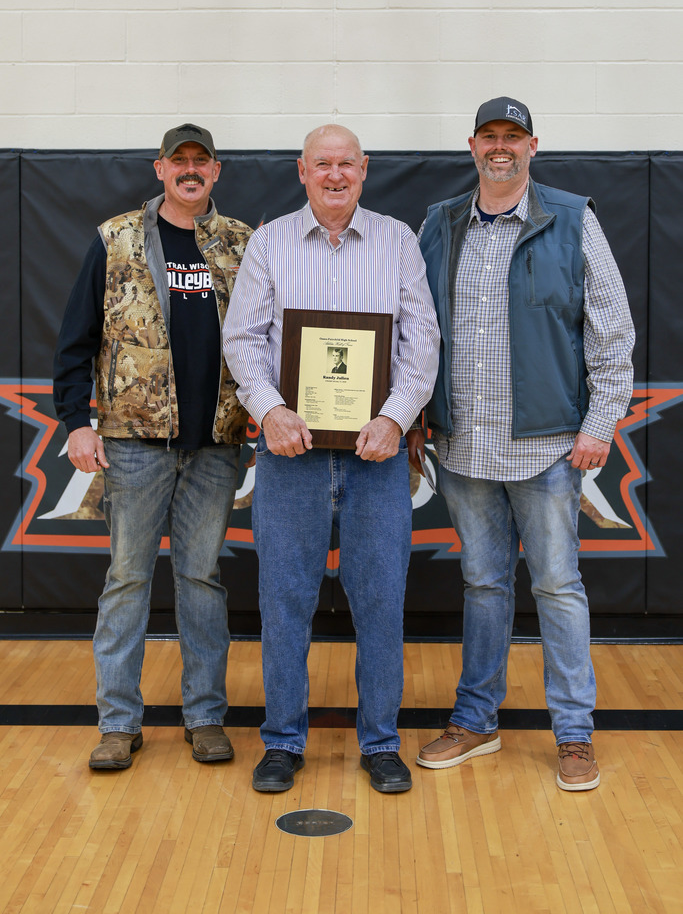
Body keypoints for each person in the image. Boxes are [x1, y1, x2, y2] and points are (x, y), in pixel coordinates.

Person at [411, 97, 634, 791]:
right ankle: (476, 721)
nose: (499, 147)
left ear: (532, 146)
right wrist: (417, 410)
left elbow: (611, 332)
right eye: (488, 136)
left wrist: (599, 425)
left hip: (543, 449)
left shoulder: (571, 218)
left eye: (512, 137)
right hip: (462, 448)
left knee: (557, 587)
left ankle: (573, 736)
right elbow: (414, 328)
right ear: (471, 145)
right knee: (482, 584)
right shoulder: (440, 223)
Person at [223, 124, 440, 794]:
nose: (335, 174)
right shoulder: (270, 242)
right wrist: (269, 409)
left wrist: (392, 417)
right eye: (323, 164)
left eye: (347, 163)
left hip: (376, 457)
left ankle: (379, 743)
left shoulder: (398, 240)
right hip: (292, 454)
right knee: (284, 601)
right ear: (302, 171)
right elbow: (243, 338)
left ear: (365, 169)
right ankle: (283, 741)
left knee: (381, 602)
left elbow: (421, 341)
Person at [53, 123, 252, 770]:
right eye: (179, 161)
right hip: (134, 443)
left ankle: (205, 717)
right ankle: (118, 722)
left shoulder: (239, 243)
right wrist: (75, 422)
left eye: (201, 161)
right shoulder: (115, 240)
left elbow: (266, 337)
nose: (190, 170)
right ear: (160, 168)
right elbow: (76, 340)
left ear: (216, 171)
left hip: (216, 445)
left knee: (201, 579)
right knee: (128, 579)